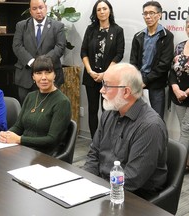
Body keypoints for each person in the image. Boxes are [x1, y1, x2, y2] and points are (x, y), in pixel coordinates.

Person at [83, 63, 168, 200]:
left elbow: (132, 178)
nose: (101, 90)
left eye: (107, 86)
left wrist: (97, 192)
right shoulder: (109, 114)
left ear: (126, 92)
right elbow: (94, 154)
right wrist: (85, 182)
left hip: (136, 198)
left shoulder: (150, 126)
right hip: (104, 186)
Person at [0, 55, 71, 156]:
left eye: (48, 72)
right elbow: (18, 126)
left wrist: (20, 139)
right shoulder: (30, 96)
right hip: (23, 150)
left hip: (45, 156)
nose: (43, 78)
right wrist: (6, 135)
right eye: (38, 73)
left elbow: (51, 140)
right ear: (33, 76)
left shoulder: (62, 102)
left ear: (55, 75)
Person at [81, 0, 124, 139]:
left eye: (104, 8)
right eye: (99, 9)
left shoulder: (117, 30)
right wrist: (90, 71)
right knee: (93, 110)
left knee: (107, 110)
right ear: (96, 12)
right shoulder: (90, 29)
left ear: (109, 10)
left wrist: (105, 73)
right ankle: (94, 141)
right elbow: (83, 52)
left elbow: (119, 54)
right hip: (91, 77)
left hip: (109, 78)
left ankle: (106, 141)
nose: (102, 12)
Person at [12, 0, 66, 104]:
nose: (38, 11)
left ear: (46, 8)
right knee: (27, 111)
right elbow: (17, 46)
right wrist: (32, 62)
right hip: (26, 78)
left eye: (41, 7)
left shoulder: (58, 26)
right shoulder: (21, 26)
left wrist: (42, 64)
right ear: (30, 11)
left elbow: (60, 46)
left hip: (50, 76)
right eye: (34, 8)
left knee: (50, 110)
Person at [130, 1, 174, 119]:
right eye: (145, 13)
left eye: (151, 13)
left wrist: (146, 80)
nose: (148, 16)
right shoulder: (138, 36)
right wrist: (138, 80)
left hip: (156, 85)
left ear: (159, 15)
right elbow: (133, 62)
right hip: (138, 84)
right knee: (136, 118)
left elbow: (164, 64)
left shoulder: (167, 36)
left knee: (156, 119)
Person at [169, 15, 189, 169]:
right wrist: (176, 89)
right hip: (178, 96)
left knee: (186, 129)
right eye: (188, 26)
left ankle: (179, 165)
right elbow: (172, 72)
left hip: (187, 94)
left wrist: (187, 92)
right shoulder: (180, 46)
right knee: (185, 129)